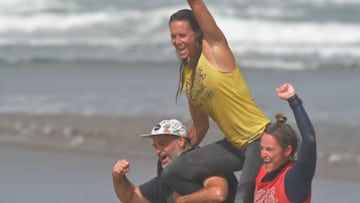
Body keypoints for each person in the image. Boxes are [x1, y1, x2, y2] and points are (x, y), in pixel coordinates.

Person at [162, 0, 270, 202]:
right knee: (172, 173)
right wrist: (180, 152)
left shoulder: (215, 49)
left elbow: (197, 5)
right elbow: (201, 126)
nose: (177, 41)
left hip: (259, 139)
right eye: (173, 36)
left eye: (183, 35)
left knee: (242, 199)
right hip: (234, 147)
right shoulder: (187, 77)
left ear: (197, 33)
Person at [112, 119, 238, 203]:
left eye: (162, 143)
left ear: (181, 141)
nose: (158, 151)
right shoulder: (168, 175)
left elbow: (217, 193)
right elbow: (131, 197)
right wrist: (118, 176)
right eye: (155, 146)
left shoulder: (200, 161)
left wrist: (183, 200)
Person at [254, 83, 316, 203]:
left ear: (287, 150)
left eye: (269, 149)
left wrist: (293, 100)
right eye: (262, 148)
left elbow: (309, 140)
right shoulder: (263, 171)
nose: (263, 154)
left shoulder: (295, 180)